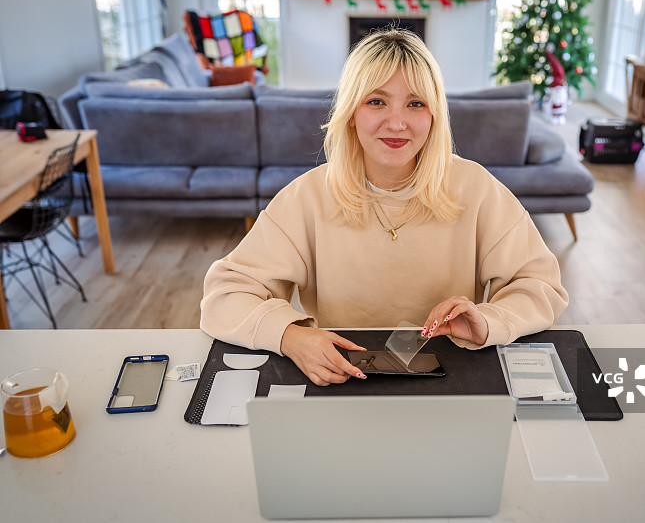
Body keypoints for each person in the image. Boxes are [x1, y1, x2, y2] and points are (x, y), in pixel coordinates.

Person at [200, 29, 569, 386]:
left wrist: (488, 320)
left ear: (435, 114)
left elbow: (540, 286)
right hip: (340, 376)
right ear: (351, 112)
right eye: (376, 101)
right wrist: (289, 337)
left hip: (452, 373)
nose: (397, 123)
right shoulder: (306, 196)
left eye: (416, 103)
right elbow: (225, 296)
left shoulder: (475, 187)